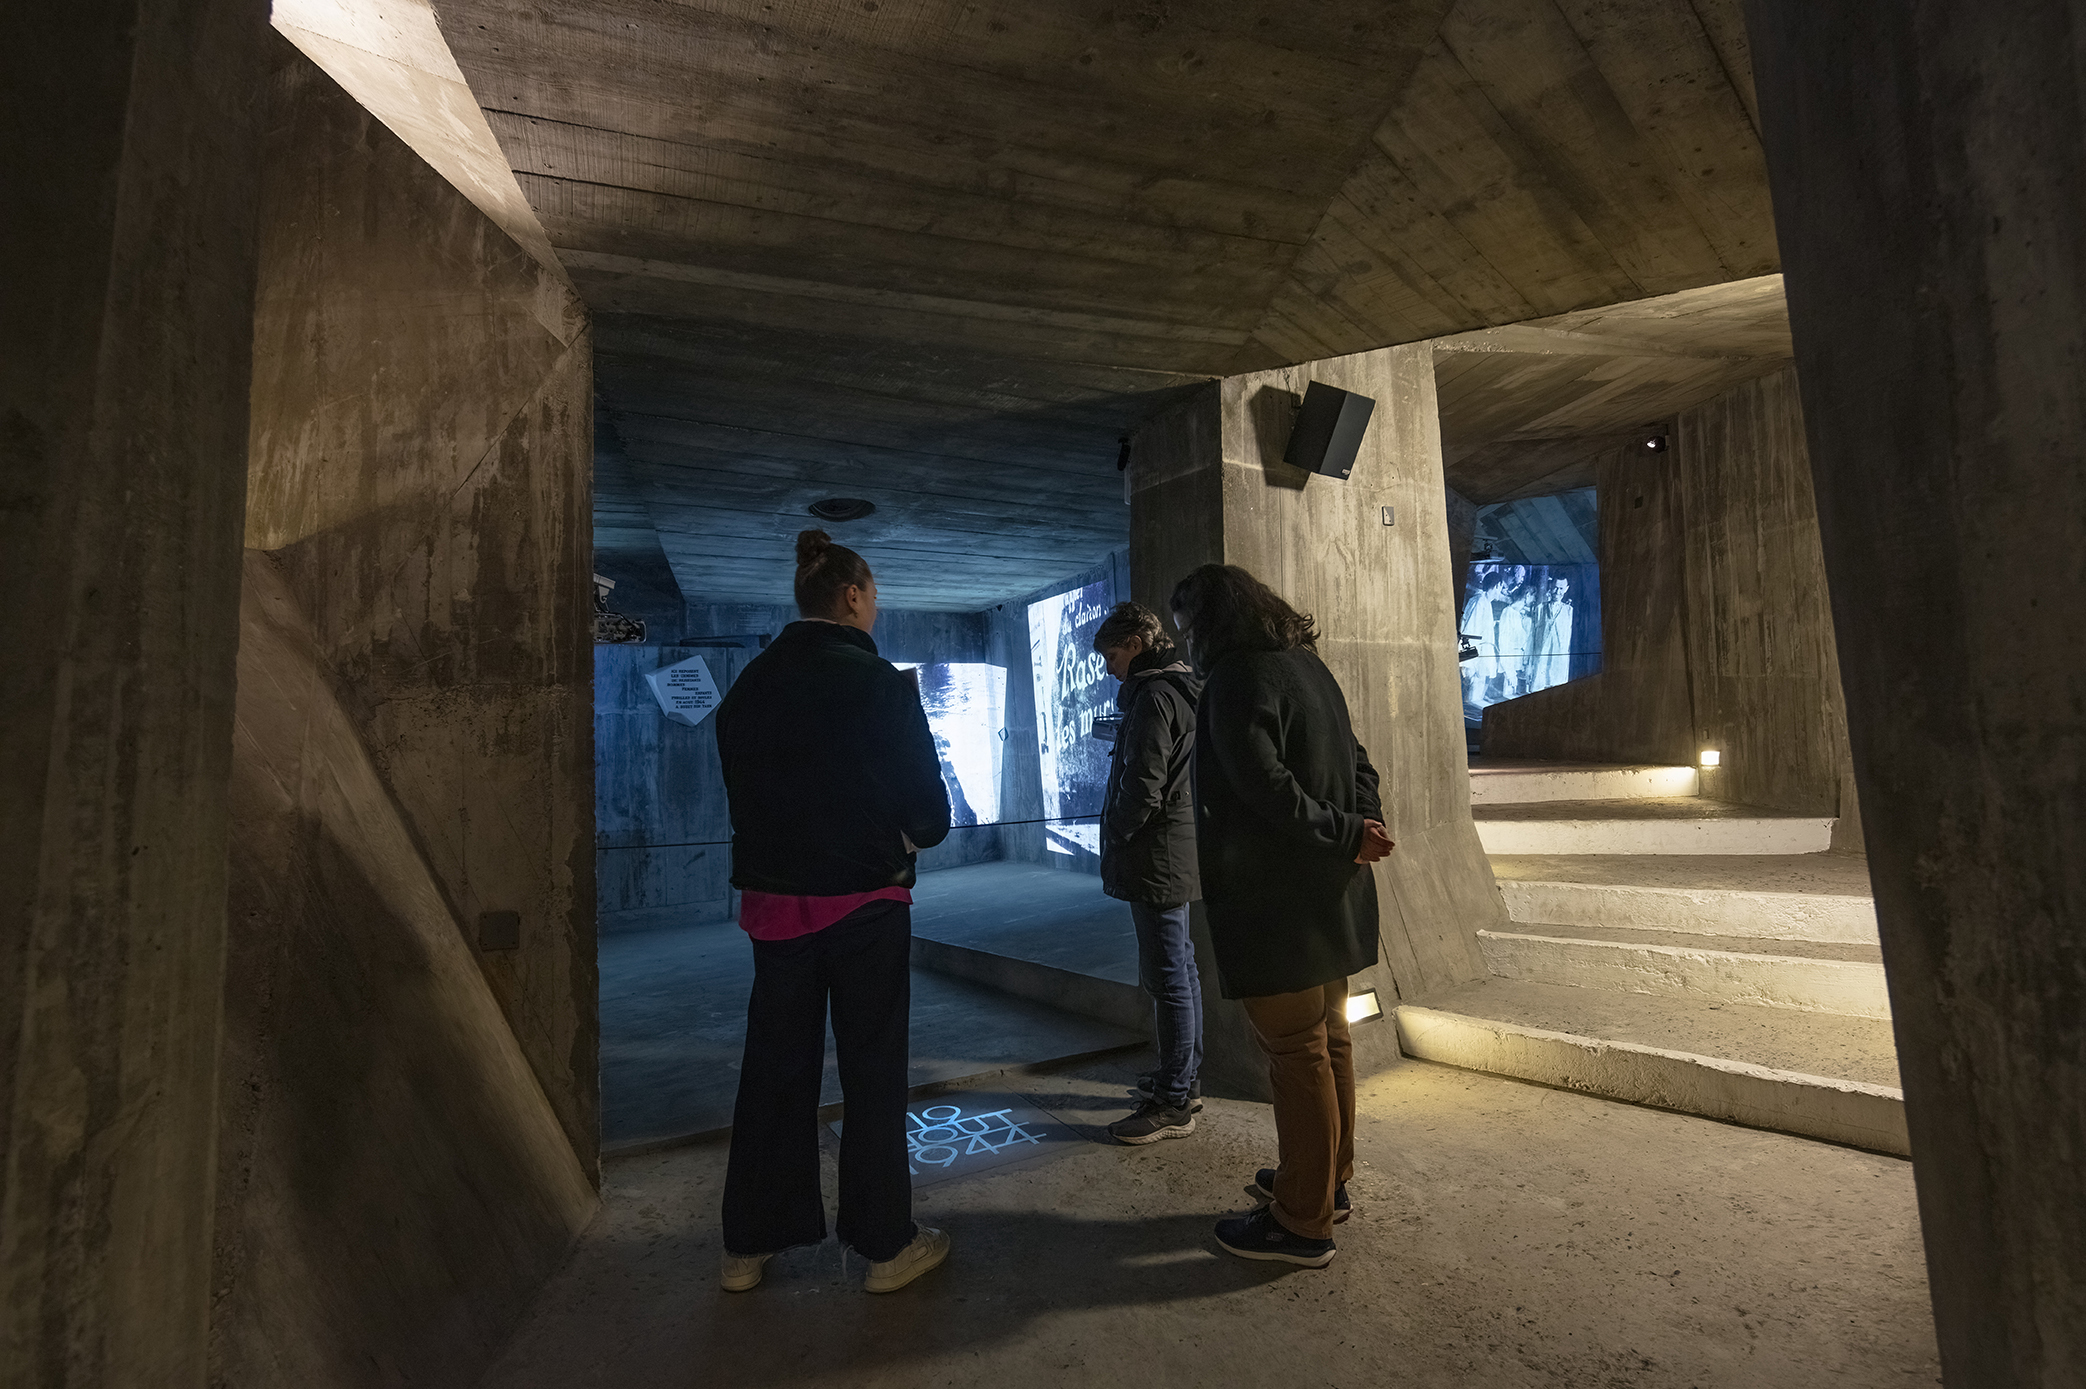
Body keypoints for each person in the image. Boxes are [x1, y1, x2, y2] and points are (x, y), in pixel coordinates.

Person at [712, 529, 954, 1295]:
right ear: (851, 595)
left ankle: (747, 1247)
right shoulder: (879, 682)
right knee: (873, 1071)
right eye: (874, 595)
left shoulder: (749, 685)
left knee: (772, 1071)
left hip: (774, 909)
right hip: (863, 904)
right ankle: (884, 1246)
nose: (875, 608)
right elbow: (929, 812)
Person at [1169, 564, 1395, 1268]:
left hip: (1278, 907)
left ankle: (1302, 1221)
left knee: (1298, 1055)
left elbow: (1264, 787)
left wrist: (1343, 830)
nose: (1185, 641)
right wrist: (1363, 823)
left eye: (1186, 626)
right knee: (1328, 1044)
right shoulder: (1308, 666)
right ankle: (1328, 1181)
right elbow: (1360, 761)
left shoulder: (1236, 678)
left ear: (1210, 621)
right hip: (1329, 898)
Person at [1090, 602, 1206, 1145]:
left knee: (1168, 978)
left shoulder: (1155, 696)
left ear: (1136, 642)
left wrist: (1117, 831)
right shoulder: (1179, 688)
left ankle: (1173, 1101)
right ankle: (1185, 1080)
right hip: (1174, 850)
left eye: (1113, 655)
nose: (1111, 668)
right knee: (1180, 969)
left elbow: (1144, 783)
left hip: (1157, 855)